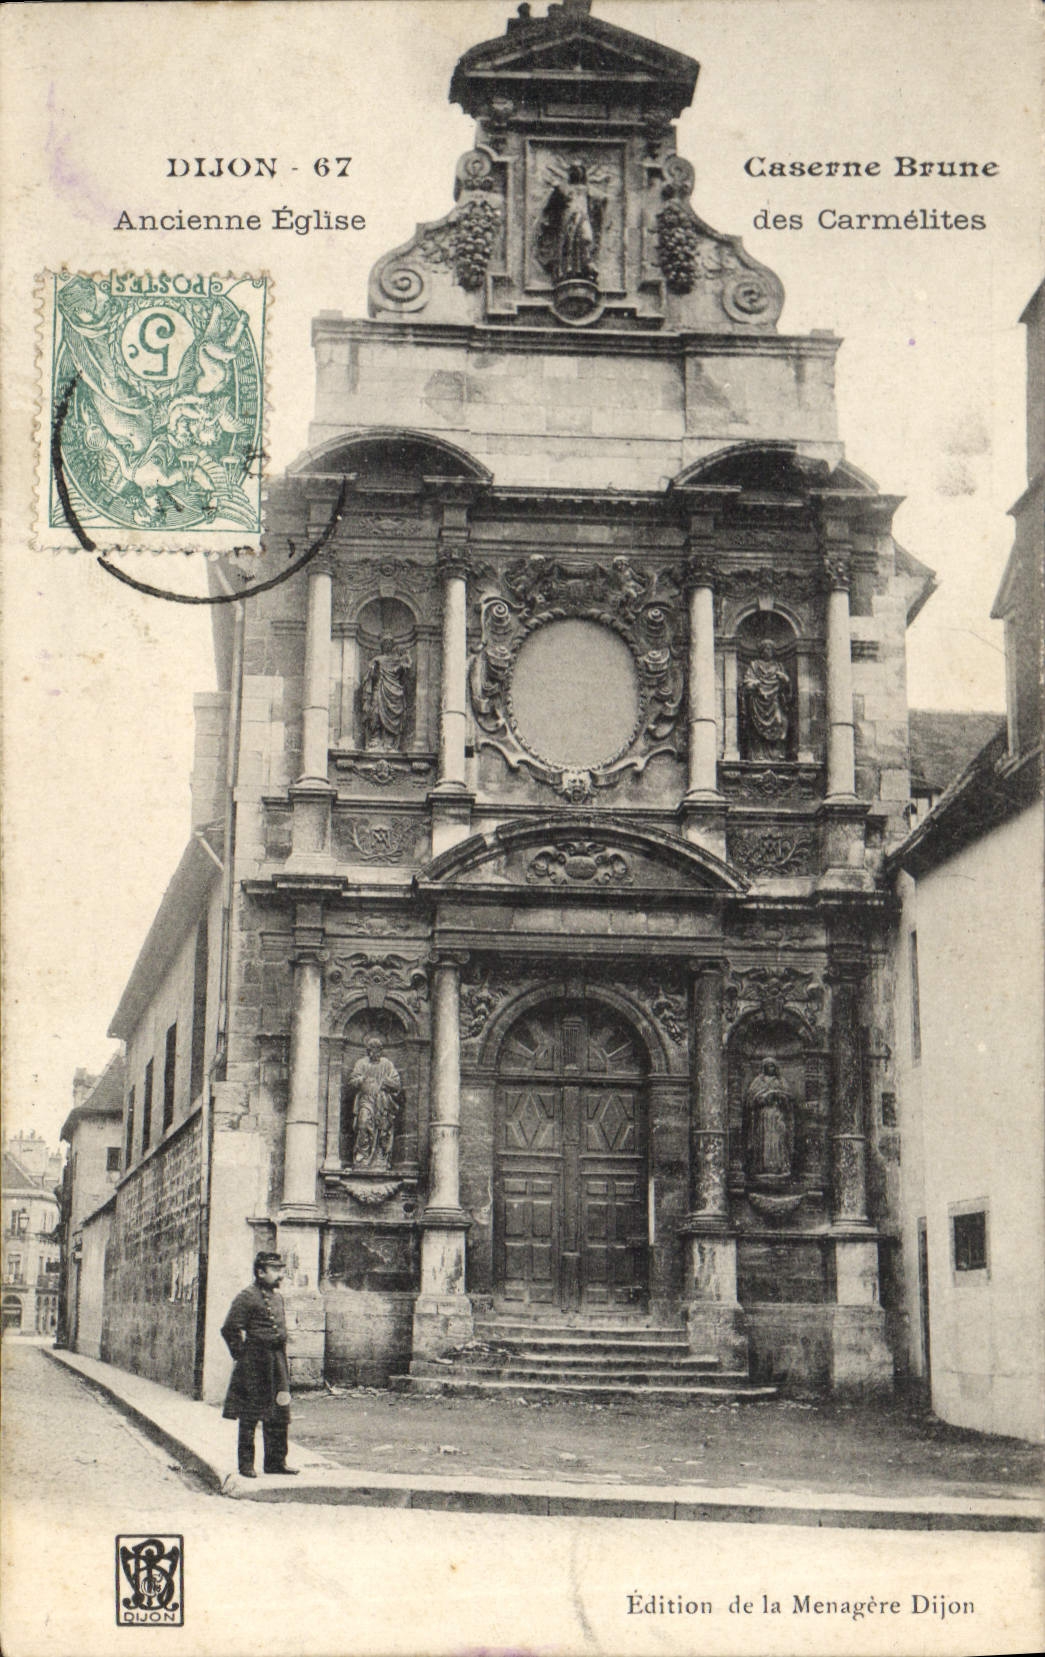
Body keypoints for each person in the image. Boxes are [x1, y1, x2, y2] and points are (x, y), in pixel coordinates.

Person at [221, 1252, 297, 1477]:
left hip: (277, 1362)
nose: (280, 1275)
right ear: (260, 1272)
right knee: (250, 1414)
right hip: (255, 1364)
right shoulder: (246, 1296)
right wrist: (242, 1355)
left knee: (279, 1411)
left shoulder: (277, 1298)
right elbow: (230, 1328)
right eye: (275, 1270)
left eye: (281, 1270)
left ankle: (276, 1462)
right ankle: (246, 1465)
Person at [347, 1035, 403, 1170]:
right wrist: (362, 1080)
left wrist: (385, 1082)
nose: (374, 1053)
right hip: (366, 1100)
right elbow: (352, 1081)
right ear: (368, 1051)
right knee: (363, 1123)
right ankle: (362, 1155)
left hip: (382, 1102)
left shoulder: (387, 1064)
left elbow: (397, 1084)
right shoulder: (361, 1064)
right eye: (372, 1050)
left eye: (377, 1050)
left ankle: (380, 1157)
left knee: (383, 1129)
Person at [745, 1058, 794, 1181]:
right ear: (764, 1067)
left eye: (772, 1066)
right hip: (763, 1116)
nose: (770, 1068)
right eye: (768, 1066)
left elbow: (789, 1099)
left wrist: (779, 1096)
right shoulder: (758, 1081)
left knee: (778, 1140)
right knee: (763, 1140)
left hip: (777, 1114)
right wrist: (762, 1097)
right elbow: (750, 1100)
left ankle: (779, 1167)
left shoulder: (781, 1081)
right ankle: (762, 1167)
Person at [741, 641, 791, 759]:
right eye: (765, 649)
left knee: (779, 722)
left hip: (774, 701)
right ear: (761, 651)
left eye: (769, 649)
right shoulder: (754, 665)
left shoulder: (779, 666)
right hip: (758, 701)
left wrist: (785, 679)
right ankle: (758, 754)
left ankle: (776, 754)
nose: (767, 651)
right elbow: (747, 681)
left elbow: (787, 685)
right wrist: (755, 683)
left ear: (773, 651)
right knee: (755, 727)